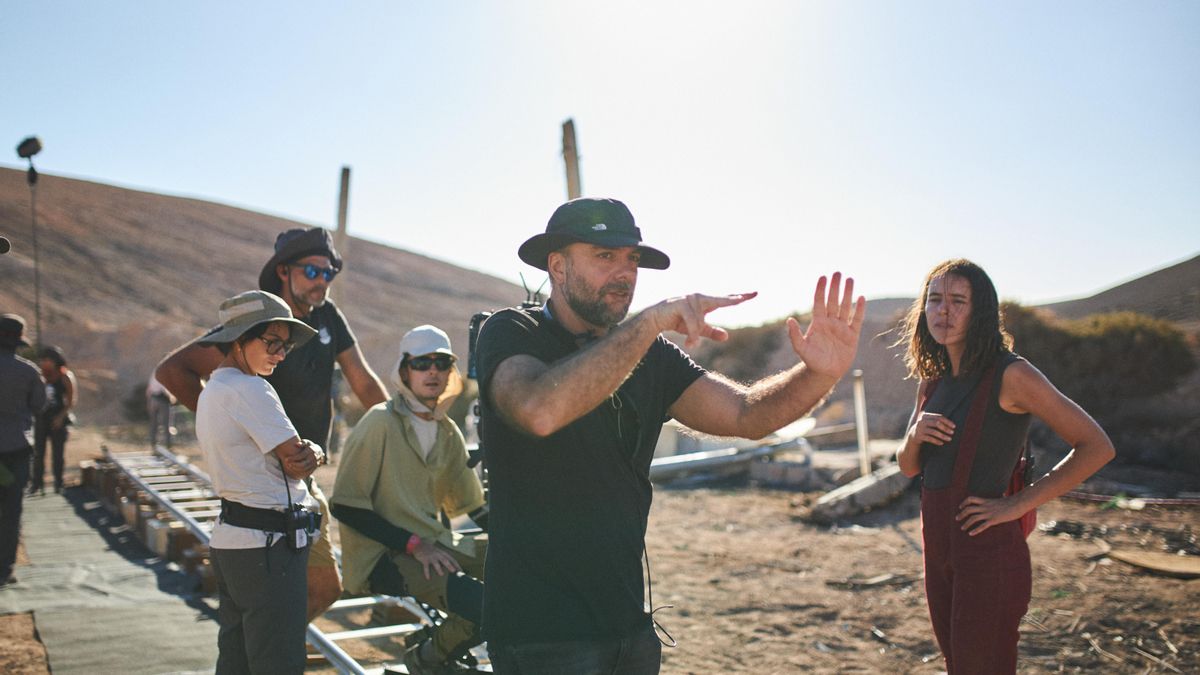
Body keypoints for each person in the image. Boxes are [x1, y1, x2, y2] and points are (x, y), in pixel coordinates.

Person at [474, 197, 865, 674]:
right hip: (541, 637)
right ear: (557, 265)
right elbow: (539, 410)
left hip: (628, 629)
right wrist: (650, 322)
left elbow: (746, 414)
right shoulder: (513, 331)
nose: (624, 273)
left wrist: (816, 375)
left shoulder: (650, 354)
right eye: (605, 256)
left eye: (631, 259)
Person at [156, 226, 389, 621]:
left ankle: (270, 649)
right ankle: (268, 650)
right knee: (275, 603)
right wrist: (227, 425)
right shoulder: (254, 323)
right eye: (312, 272)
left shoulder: (328, 316)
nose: (323, 282)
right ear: (283, 271)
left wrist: (395, 428)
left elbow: (362, 380)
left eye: (329, 272)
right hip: (266, 485)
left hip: (304, 475)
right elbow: (173, 370)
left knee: (320, 591)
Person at [894, 259, 1114, 675]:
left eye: (958, 300)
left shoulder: (1011, 375)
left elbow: (1096, 446)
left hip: (988, 553)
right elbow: (908, 468)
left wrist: (1014, 506)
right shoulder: (933, 382)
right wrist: (913, 436)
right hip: (937, 549)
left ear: (981, 312)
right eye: (935, 300)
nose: (944, 311)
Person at [331, 325, 489, 675]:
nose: (433, 371)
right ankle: (425, 659)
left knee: (520, 569)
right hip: (385, 555)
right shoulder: (379, 423)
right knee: (489, 607)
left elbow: (473, 505)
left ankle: (434, 643)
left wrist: (526, 543)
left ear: (451, 371)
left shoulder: (447, 431)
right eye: (422, 363)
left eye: (442, 362)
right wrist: (414, 544)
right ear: (405, 371)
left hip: (433, 543)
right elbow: (343, 505)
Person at [193, 290, 324, 674]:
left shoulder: (214, 388)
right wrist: (316, 450)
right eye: (271, 343)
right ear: (239, 340)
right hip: (269, 549)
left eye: (285, 346)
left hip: (234, 541)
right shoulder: (251, 388)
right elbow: (297, 461)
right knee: (277, 661)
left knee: (236, 658)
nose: (281, 355)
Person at [0, 314, 47, 587]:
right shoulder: (29, 372)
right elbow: (39, 406)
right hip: (16, 448)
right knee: (11, 510)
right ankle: (5, 568)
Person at [31, 345, 76, 495]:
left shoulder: (64, 376)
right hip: (40, 419)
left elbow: (70, 400)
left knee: (58, 454)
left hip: (58, 419)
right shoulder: (39, 376)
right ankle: (37, 483)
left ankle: (58, 483)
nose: (43, 362)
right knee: (38, 453)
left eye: (46, 360)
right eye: (42, 360)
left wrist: (60, 417)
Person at [147, 373, 177, 449]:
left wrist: (149, 401)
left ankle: (153, 443)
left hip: (153, 399)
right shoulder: (162, 374)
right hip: (162, 399)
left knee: (154, 423)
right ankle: (168, 444)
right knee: (166, 423)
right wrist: (171, 397)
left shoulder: (153, 375)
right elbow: (163, 388)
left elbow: (149, 389)